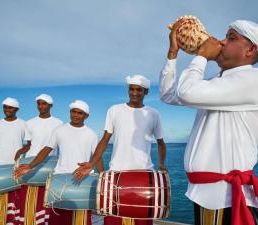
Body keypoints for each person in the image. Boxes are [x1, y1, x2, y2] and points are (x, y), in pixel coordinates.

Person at [159, 19, 258, 225]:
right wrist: (172, 54)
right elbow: (169, 95)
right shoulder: (220, 84)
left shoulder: (254, 79)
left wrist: (202, 55)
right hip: (211, 197)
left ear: (250, 49)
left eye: (231, 38)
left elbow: (186, 92)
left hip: (226, 198)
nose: (221, 42)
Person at [74, 75, 167, 225]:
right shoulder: (114, 110)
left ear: (146, 92)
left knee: (142, 220)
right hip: (116, 173)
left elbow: (161, 143)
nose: (134, 93)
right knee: (113, 219)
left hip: (144, 173)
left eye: (139, 90)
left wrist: (161, 164)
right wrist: (92, 163)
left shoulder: (153, 113)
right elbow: (105, 139)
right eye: (131, 89)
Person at [14, 100, 103, 225]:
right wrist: (30, 165)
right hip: (60, 179)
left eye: (80, 113)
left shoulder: (91, 134)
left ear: (86, 116)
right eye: (73, 111)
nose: (75, 115)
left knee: (81, 219)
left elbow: (97, 156)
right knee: (58, 218)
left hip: (83, 179)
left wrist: (102, 178)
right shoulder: (59, 130)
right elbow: (46, 150)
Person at [14, 94, 63, 225]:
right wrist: (20, 151)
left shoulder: (58, 123)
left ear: (50, 105)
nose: (41, 106)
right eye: (39, 103)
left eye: (44, 103)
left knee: (47, 198)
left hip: (50, 164)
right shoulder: (29, 123)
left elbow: (61, 145)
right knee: (28, 198)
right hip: (31, 163)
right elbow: (29, 144)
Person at [0, 97, 28, 225]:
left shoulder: (23, 124)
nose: (7, 110)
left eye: (9, 107)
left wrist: (21, 152)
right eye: (5, 107)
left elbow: (29, 144)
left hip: (14, 167)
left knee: (14, 199)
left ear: (16, 109)